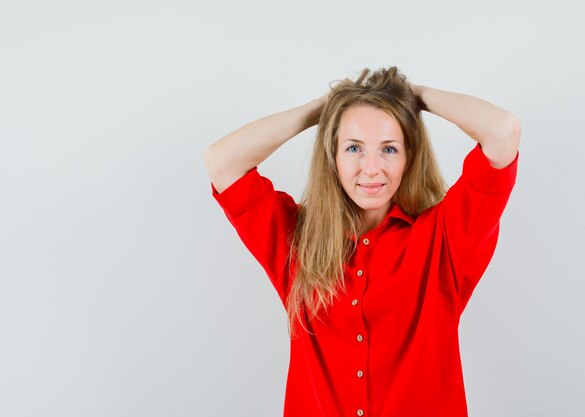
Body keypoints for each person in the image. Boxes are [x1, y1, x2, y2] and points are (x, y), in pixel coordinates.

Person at [203, 66, 520, 417]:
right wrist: (320, 110)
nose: (371, 168)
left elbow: (503, 131)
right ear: (333, 157)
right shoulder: (298, 243)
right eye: (354, 148)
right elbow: (221, 161)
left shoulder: (445, 239)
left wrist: (417, 95)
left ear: (408, 158)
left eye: (389, 149)